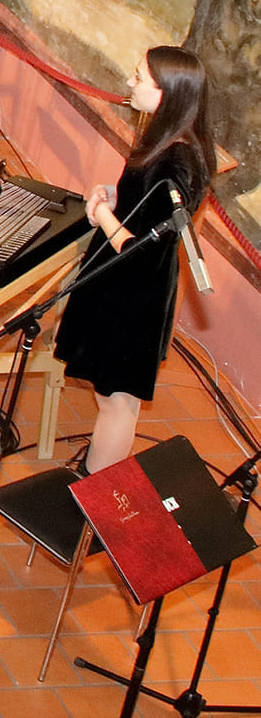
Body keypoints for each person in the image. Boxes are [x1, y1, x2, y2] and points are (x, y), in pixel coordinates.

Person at [56, 47, 216, 472]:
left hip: (133, 293)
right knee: (109, 395)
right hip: (122, 287)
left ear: (167, 94)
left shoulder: (177, 161)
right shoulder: (170, 138)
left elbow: (141, 248)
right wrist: (115, 193)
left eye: (139, 78)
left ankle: (97, 494)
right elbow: (147, 204)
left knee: (117, 400)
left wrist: (104, 215)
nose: (130, 83)